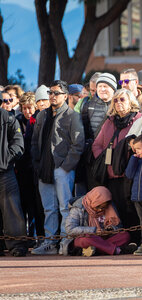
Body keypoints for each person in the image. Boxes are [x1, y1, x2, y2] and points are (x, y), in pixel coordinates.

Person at [31, 80, 85, 255]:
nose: (52, 96)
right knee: (49, 208)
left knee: (64, 207)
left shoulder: (72, 116)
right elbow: (34, 142)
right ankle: (50, 243)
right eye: (50, 93)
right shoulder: (41, 115)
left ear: (65, 95)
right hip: (43, 168)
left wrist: (65, 167)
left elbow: (78, 144)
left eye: (56, 93)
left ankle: (65, 241)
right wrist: (37, 163)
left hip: (62, 168)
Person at [91, 88, 141, 239]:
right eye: (116, 100)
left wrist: (126, 157)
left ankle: (137, 241)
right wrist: (109, 161)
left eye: (122, 99)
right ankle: (123, 241)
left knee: (132, 208)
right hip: (112, 174)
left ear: (131, 102)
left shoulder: (138, 119)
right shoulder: (109, 122)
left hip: (130, 173)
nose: (119, 103)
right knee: (117, 207)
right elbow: (96, 145)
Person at [65, 186, 136, 256]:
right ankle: (117, 250)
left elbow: (119, 226)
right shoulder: (78, 208)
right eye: (98, 207)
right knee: (86, 240)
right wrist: (93, 230)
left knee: (125, 235)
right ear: (93, 201)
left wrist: (111, 229)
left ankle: (94, 250)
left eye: (103, 208)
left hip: (103, 239)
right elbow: (70, 229)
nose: (100, 210)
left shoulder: (110, 207)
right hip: (88, 237)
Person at [80, 72, 117, 192]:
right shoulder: (87, 106)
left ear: (113, 88)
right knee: (96, 194)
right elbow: (83, 131)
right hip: (93, 158)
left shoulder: (120, 104)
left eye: (105, 86)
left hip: (115, 158)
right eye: (99, 86)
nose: (101, 89)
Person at [15, 92, 45, 242]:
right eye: (24, 108)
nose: (27, 111)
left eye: (30, 108)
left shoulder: (39, 120)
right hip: (21, 170)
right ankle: (26, 237)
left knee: (37, 206)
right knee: (24, 205)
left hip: (36, 168)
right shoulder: (16, 121)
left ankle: (39, 236)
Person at [0, 93, 27, 257]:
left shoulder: (8, 118)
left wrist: (6, 160)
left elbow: (18, 143)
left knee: (12, 209)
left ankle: (17, 245)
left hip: (5, 172)